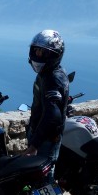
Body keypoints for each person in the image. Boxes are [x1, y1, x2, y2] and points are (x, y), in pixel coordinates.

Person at [23, 29, 69, 181]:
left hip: (47, 139)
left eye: (43, 52)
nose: (38, 55)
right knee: (36, 175)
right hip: (41, 133)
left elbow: (53, 115)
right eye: (36, 50)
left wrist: (34, 145)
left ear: (54, 55)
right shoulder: (47, 74)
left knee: (43, 176)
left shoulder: (53, 78)